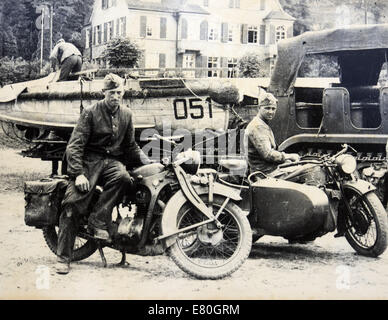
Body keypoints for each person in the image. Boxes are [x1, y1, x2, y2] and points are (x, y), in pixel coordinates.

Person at [55, 73, 151, 274]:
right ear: (104, 93)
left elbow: (131, 145)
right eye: (112, 92)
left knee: (124, 178)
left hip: (111, 163)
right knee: (73, 204)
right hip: (89, 163)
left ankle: (98, 220)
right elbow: (74, 146)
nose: (116, 96)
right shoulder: (90, 112)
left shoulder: (127, 114)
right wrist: (78, 174)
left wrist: (149, 162)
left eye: (119, 92)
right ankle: (63, 257)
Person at [245, 91, 300, 175]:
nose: (270, 112)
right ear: (259, 108)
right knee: (303, 173)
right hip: (264, 173)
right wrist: (289, 156)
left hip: (269, 168)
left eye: (273, 108)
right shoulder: (257, 126)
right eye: (267, 108)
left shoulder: (262, 124)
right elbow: (268, 155)